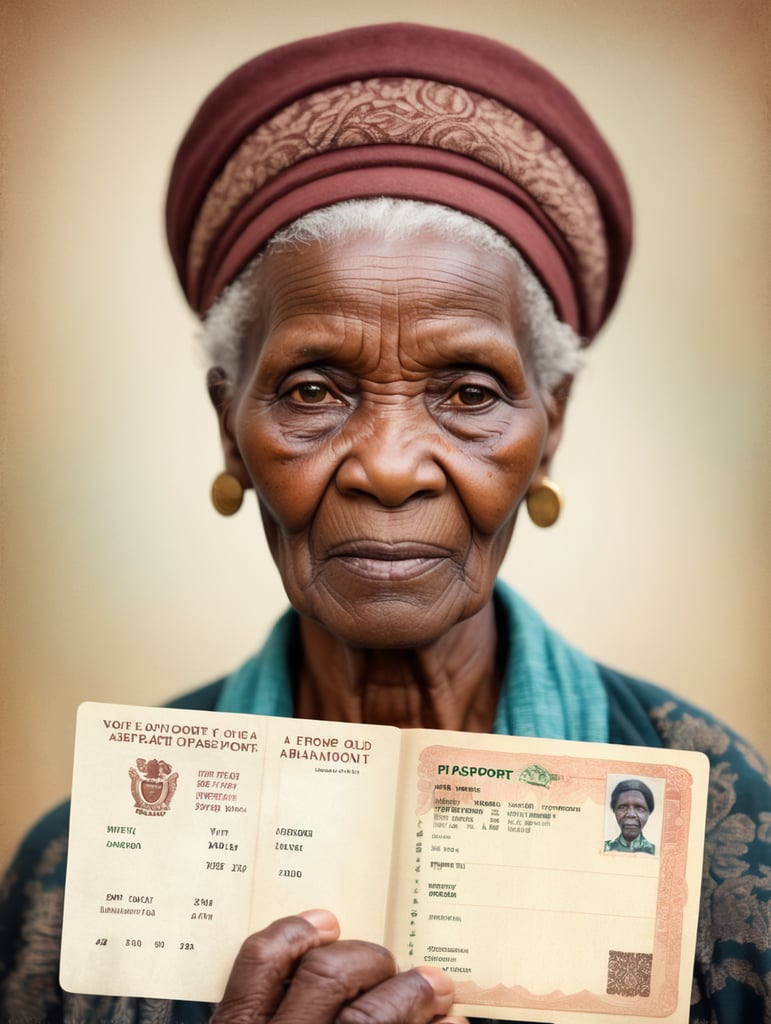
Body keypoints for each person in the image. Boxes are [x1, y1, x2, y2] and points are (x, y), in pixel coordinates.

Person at [1, 22, 768, 1024]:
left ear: (553, 430)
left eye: (468, 392)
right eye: (313, 390)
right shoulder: (74, 878)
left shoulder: (728, 834)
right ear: (228, 425)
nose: (392, 468)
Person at [604, 778, 656, 854]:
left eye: (639, 808)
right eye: (623, 807)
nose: (631, 814)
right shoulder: (603, 848)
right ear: (614, 811)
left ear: (649, 813)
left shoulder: (656, 852)